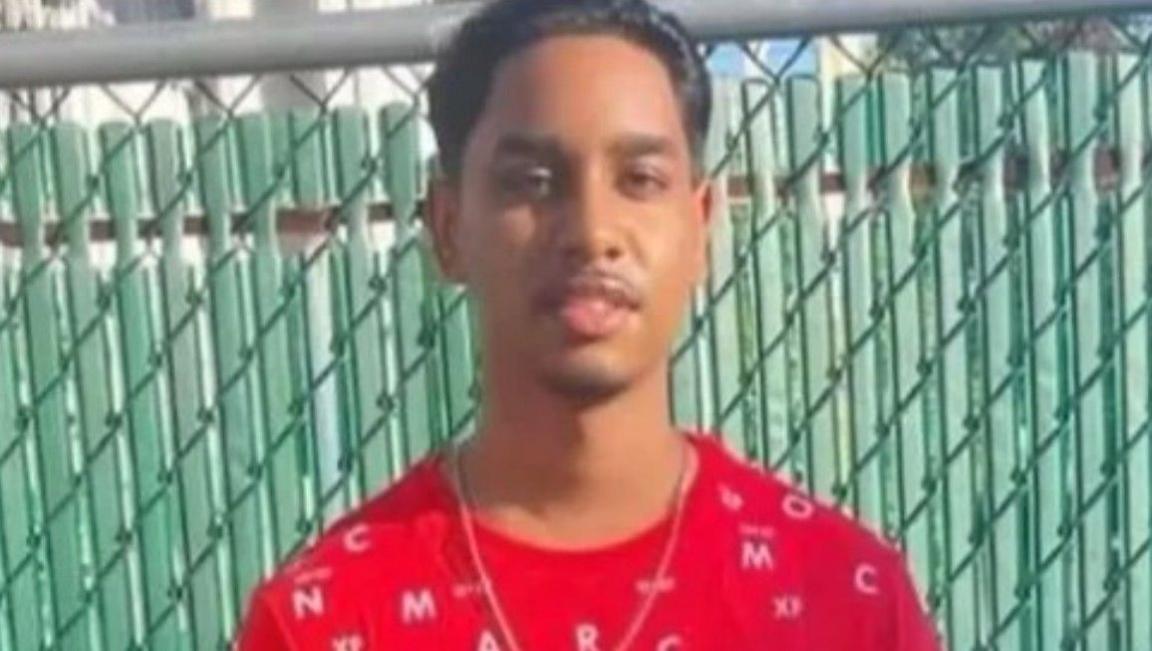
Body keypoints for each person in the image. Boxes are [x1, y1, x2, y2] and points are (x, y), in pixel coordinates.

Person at [236, 0, 943, 648]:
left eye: (639, 179)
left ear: (699, 228)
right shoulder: (323, 621)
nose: (593, 231)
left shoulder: (843, 599)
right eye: (533, 182)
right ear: (449, 229)